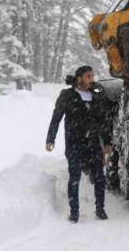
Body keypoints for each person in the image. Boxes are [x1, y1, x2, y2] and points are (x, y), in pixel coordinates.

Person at [46, 65, 113, 223]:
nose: (92, 79)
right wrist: (50, 139)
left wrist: (108, 141)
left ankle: (100, 210)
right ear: (79, 78)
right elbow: (56, 118)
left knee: (99, 177)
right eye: (88, 76)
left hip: (93, 143)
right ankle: (74, 212)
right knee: (75, 177)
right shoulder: (67, 95)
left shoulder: (97, 95)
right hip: (74, 142)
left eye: (92, 76)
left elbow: (103, 120)